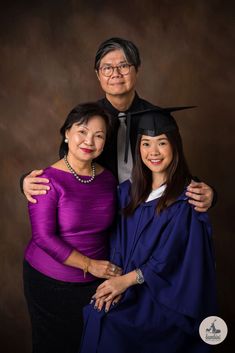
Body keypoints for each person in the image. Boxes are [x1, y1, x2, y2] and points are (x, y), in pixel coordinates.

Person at [79, 107, 217, 353]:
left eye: (161, 143)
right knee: (98, 313)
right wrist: (115, 283)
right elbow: (118, 244)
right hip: (127, 287)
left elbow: (171, 258)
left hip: (164, 297)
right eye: (145, 143)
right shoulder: (127, 193)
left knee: (113, 327)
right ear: (138, 148)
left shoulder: (186, 200)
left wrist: (127, 281)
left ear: (175, 146)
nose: (153, 152)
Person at [21, 37, 215, 212]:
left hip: (148, 211)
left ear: (136, 69)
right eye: (107, 68)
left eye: (123, 66)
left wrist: (207, 193)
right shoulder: (89, 121)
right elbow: (68, 167)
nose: (115, 74)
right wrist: (27, 181)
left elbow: (174, 165)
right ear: (98, 75)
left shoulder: (157, 118)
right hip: (99, 211)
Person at [23, 102, 122, 353]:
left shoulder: (108, 179)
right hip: (51, 283)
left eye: (99, 136)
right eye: (82, 131)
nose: (89, 140)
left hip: (95, 282)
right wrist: (90, 264)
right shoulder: (45, 180)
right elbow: (43, 237)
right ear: (67, 133)